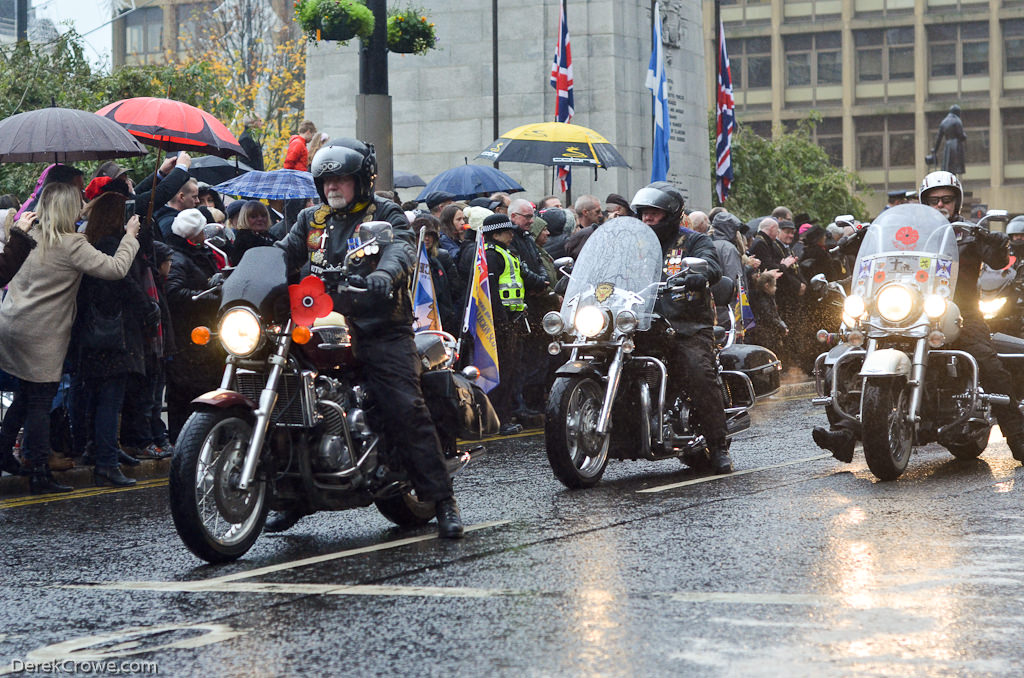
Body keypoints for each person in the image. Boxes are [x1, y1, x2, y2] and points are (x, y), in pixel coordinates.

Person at [275, 138, 465, 539]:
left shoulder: (384, 212)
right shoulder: (311, 220)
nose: (332, 188)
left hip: (378, 325)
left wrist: (383, 276)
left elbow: (400, 248)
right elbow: (283, 252)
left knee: (404, 405)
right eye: (325, 181)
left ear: (360, 181)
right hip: (318, 321)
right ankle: (292, 495)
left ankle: (442, 498)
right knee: (287, 395)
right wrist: (240, 270)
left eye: (341, 180)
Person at [815, 171, 1024, 463]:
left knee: (989, 364)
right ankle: (845, 432)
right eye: (934, 200)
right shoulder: (909, 237)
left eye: (947, 200)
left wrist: (996, 241)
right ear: (924, 201)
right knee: (845, 357)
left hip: (957, 313)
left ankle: (1018, 438)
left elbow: (999, 260)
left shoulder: (970, 234)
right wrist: (856, 239)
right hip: (902, 312)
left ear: (957, 202)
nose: (940, 205)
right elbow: (872, 254)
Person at [0, 183, 140, 493]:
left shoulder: (28, 234)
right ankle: (38, 470)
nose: (83, 205)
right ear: (67, 209)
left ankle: (4, 453)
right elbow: (115, 268)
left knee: (25, 395)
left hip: (11, 323)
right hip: (42, 334)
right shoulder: (72, 244)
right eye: (78, 202)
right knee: (40, 400)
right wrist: (130, 237)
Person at [630, 181, 733, 474]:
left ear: (671, 215)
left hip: (686, 324)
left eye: (654, 213)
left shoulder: (693, 241)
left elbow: (712, 265)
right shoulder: (634, 245)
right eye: (644, 213)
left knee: (699, 372)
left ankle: (718, 444)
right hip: (639, 323)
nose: (647, 218)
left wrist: (702, 275)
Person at [70, 192, 154, 487]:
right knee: (110, 399)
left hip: (92, 334)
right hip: (113, 334)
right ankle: (106, 461)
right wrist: (147, 307)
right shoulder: (111, 245)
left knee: (97, 396)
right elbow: (122, 281)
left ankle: (100, 450)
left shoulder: (90, 242)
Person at [478, 213, 549, 430]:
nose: (512, 235)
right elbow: (491, 293)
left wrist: (543, 284)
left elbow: (523, 278)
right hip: (501, 323)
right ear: (496, 234)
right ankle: (498, 419)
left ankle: (504, 416)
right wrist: (501, 323)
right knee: (501, 373)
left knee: (512, 371)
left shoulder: (506, 253)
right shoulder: (492, 256)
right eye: (508, 232)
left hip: (514, 320)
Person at [164, 208, 223, 442]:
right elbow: (174, 293)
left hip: (200, 333)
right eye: (200, 232)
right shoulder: (179, 258)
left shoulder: (198, 253)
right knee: (187, 390)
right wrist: (211, 296)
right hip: (188, 336)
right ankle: (185, 440)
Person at [230, 200, 276, 265]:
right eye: (253, 217)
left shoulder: (271, 237)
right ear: (245, 219)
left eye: (263, 215)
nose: (260, 219)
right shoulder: (243, 240)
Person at [927, 105, 966, 175]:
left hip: (948, 146)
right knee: (955, 166)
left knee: (948, 166)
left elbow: (938, 138)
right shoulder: (957, 121)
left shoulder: (943, 122)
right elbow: (961, 135)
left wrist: (935, 149)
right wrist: (964, 136)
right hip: (956, 146)